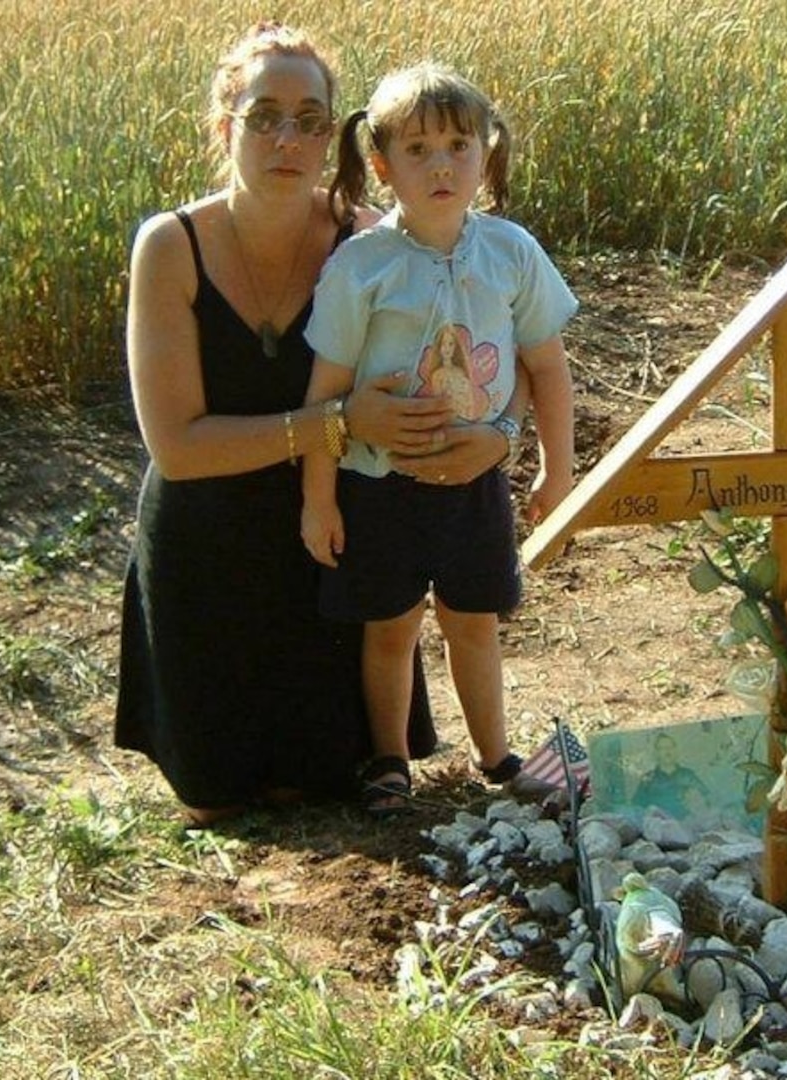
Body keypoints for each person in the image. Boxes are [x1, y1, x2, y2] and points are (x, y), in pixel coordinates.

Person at [114, 25, 526, 827]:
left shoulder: (373, 244)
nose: (287, 138)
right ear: (223, 123)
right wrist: (337, 421)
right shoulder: (169, 246)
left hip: (333, 548)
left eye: (310, 120)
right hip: (207, 552)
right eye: (264, 115)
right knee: (214, 802)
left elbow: (483, 360)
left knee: (324, 789)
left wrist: (505, 438)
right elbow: (178, 448)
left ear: (335, 136)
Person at [300, 63, 577, 815]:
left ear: (486, 155)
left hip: (475, 486)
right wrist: (318, 500)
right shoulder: (362, 266)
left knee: (473, 622)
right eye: (417, 149)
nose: (442, 164)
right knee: (389, 630)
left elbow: (546, 366)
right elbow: (324, 395)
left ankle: (496, 756)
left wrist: (555, 469)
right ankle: (389, 761)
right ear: (382, 166)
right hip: (378, 484)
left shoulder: (510, 252)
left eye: (459, 144)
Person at [632, 733, 710, 820]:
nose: (667, 751)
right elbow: (637, 808)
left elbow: (707, 799)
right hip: (659, 829)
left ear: (675, 750)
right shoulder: (648, 779)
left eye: (670, 747)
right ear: (656, 753)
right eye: (662, 748)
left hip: (688, 828)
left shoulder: (688, 775)